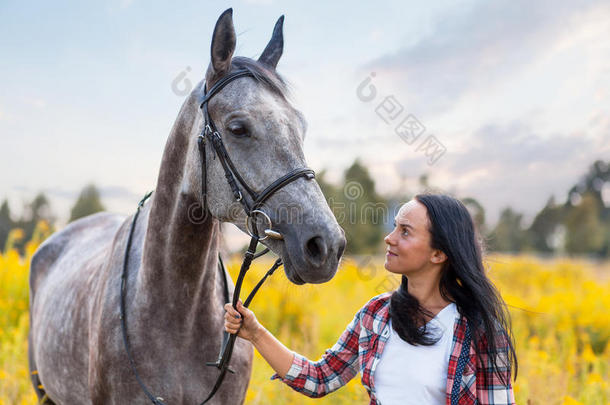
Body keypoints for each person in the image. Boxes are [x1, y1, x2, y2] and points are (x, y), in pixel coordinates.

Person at [224, 193, 517, 405]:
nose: (389, 238)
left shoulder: (480, 332)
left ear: (438, 253)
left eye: (405, 231)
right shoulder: (377, 314)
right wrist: (256, 333)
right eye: (394, 227)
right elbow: (320, 378)